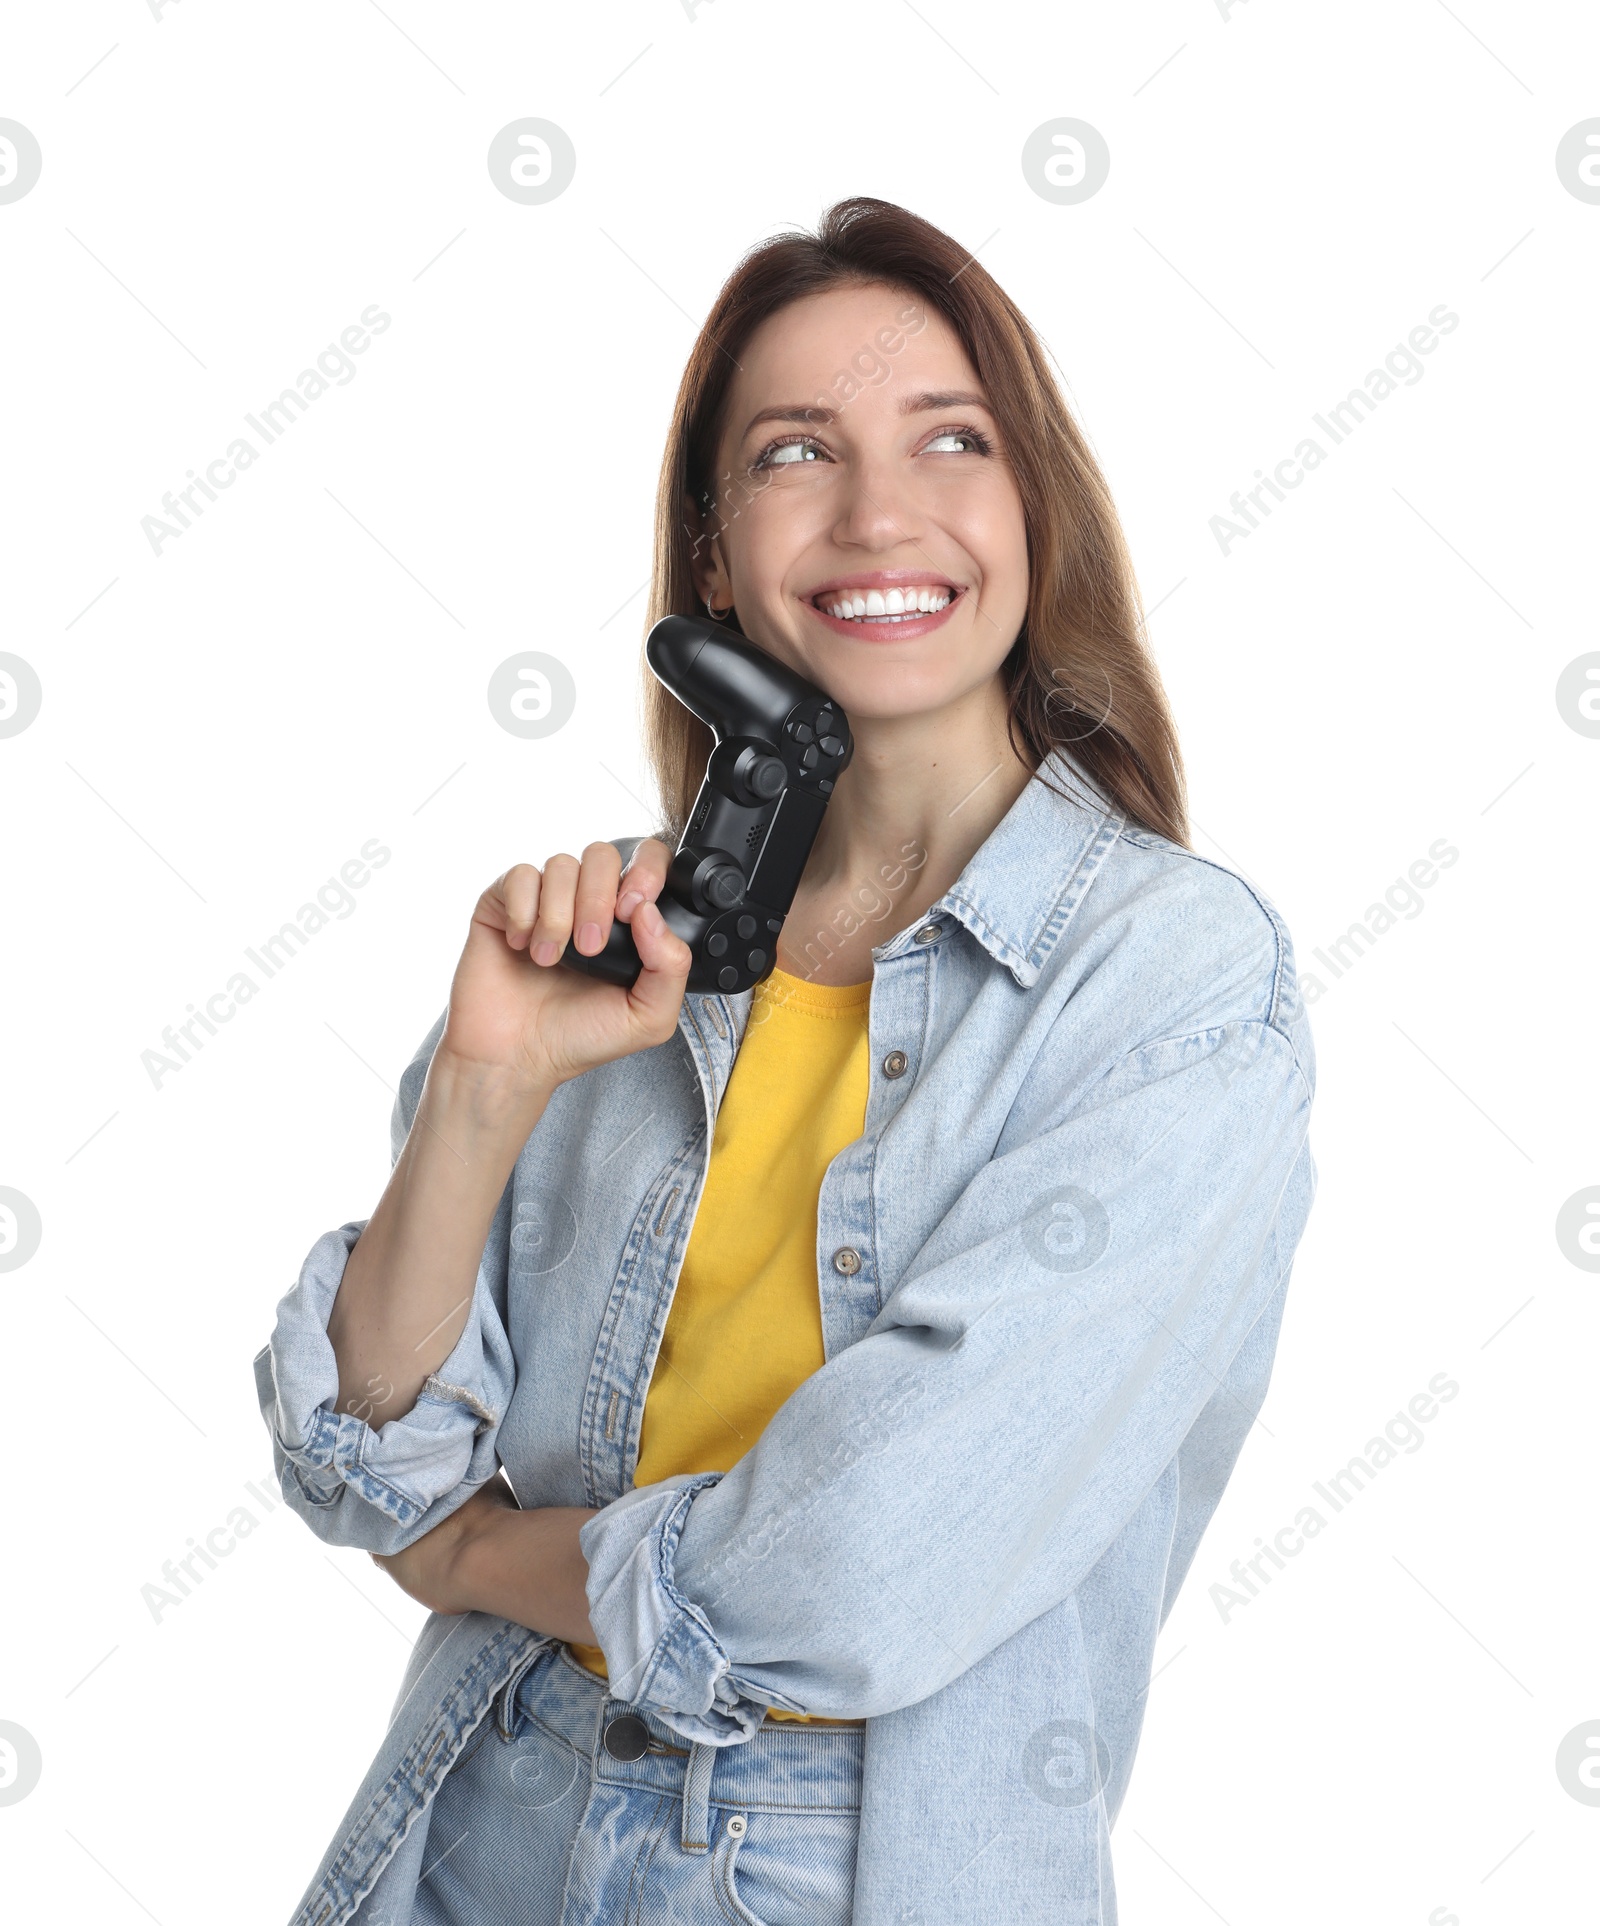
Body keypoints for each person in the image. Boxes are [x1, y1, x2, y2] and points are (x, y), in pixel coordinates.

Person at [256, 195, 1317, 1926]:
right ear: (712, 554)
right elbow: (367, 1456)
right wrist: (484, 1086)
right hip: (472, 1841)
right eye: (796, 452)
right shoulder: (622, 942)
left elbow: (857, 1568)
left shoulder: (1169, 985)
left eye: (948, 439)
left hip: (846, 1874)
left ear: (1030, 504)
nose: (879, 512)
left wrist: (476, 1561)